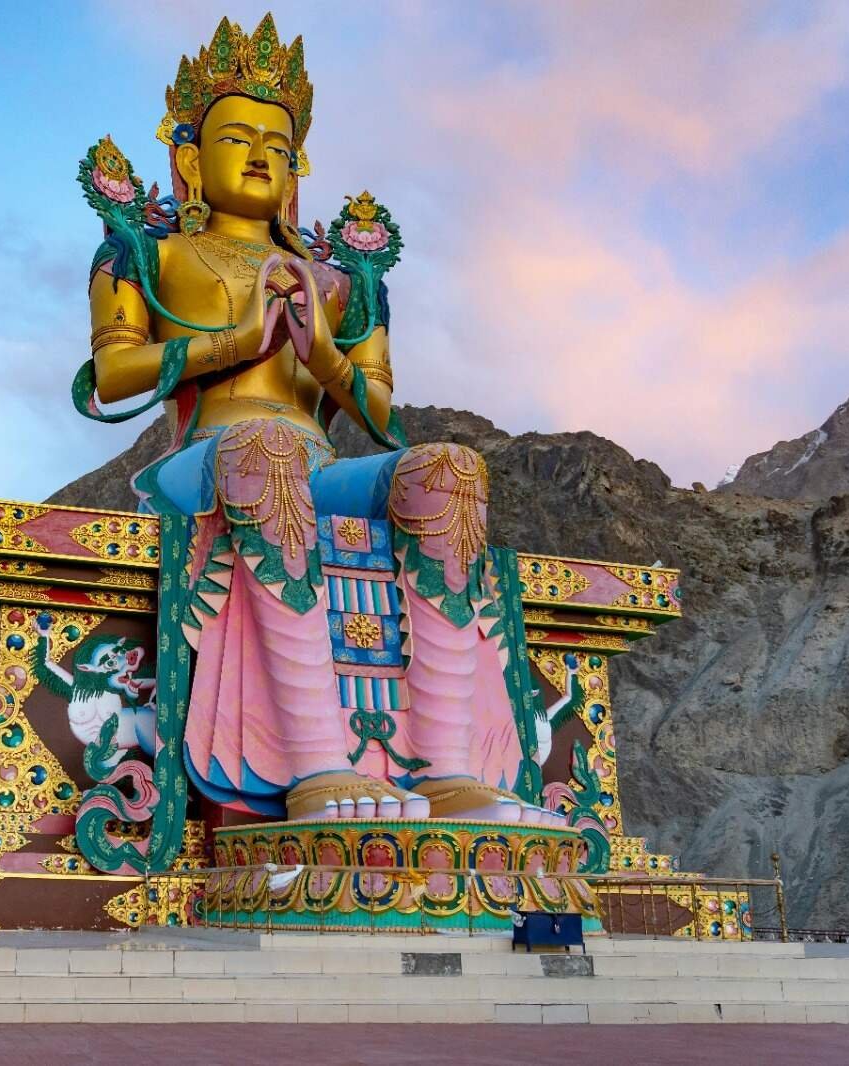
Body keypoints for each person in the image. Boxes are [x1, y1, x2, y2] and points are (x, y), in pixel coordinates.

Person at [71, 16, 562, 874]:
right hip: (212, 456)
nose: (261, 154)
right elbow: (112, 378)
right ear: (190, 157)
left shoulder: (339, 283)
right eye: (236, 137)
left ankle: (446, 769)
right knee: (267, 452)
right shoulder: (149, 253)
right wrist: (236, 346)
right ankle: (314, 764)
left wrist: (320, 350)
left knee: (450, 471)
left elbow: (380, 417)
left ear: (298, 165)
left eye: (278, 143)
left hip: (317, 464)